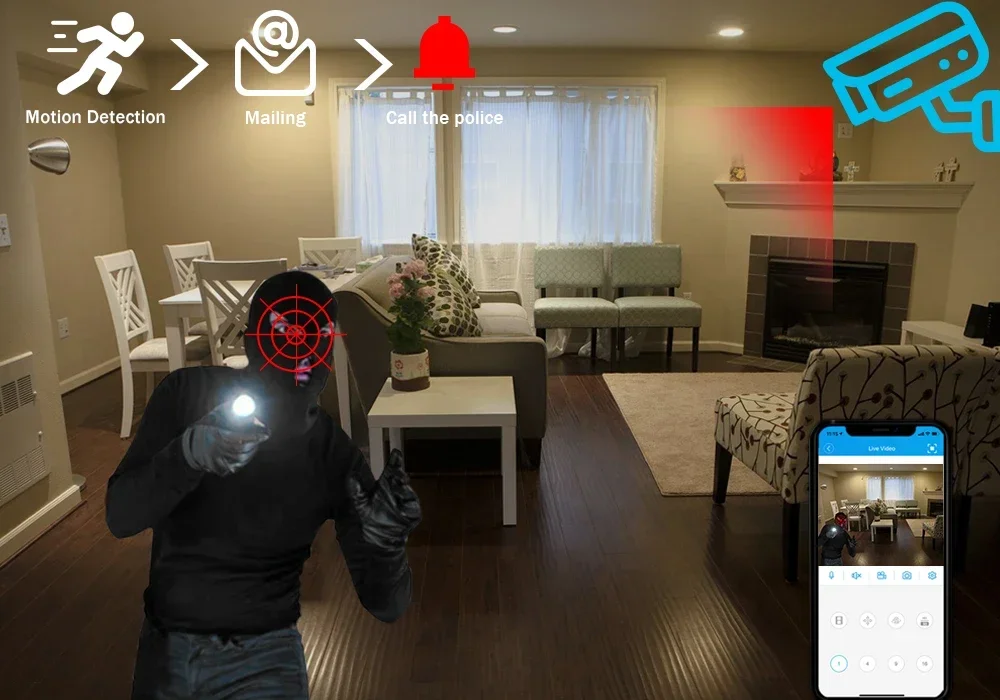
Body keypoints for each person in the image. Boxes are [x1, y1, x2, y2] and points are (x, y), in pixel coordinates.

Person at [106, 270, 422, 699]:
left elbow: (388, 604)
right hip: (170, 649)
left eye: (312, 340)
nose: (298, 359)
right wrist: (186, 456)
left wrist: (388, 547)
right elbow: (121, 515)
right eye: (285, 337)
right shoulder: (185, 396)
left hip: (263, 655)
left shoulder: (334, 456)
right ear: (251, 344)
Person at [57, 12, 145, 95]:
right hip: (95, 57)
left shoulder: (106, 35)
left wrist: (136, 38)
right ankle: (64, 87)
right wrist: (136, 37)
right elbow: (84, 36)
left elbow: (126, 51)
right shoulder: (103, 33)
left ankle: (103, 88)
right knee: (84, 75)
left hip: (100, 59)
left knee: (114, 69)